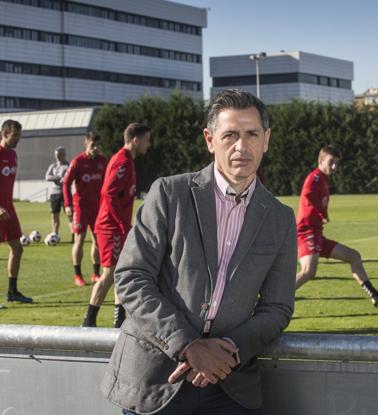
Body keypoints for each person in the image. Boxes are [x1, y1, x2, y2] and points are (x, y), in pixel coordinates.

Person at [102, 90, 297, 415]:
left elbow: (277, 307)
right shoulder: (169, 193)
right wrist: (188, 346)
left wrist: (229, 351)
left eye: (252, 135)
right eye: (230, 135)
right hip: (156, 379)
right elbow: (131, 277)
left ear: (267, 140)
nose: (241, 147)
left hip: (229, 384)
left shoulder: (280, 217)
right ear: (209, 139)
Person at [295, 146, 378, 307]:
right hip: (307, 232)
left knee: (353, 256)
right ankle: (272, 301)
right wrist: (321, 213)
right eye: (331, 162)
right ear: (320, 161)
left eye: (336, 163)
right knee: (308, 271)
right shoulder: (315, 177)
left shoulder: (323, 179)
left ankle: (375, 295)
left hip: (317, 235)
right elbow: (308, 194)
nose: (334, 167)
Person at [81, 123, 151, 328]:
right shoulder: (122, 161)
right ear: (135, 140)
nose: (149, 144)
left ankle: (119, 320)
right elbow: (108, 194)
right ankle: (88, 321)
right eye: (147, 140)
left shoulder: (127, 160)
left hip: (116, 226)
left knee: (120, 272)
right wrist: (121, 224)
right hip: (110, 227)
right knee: (109, 274)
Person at [63, 133, 107, 286]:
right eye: (92, 146)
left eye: (97, 146)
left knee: (97, 240)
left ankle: (96, 273)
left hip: (98, 207)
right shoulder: (78, 162)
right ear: (86, 145)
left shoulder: (103, 161)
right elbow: (66, 184)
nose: (95, 148)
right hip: (81, 207)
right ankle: (78, 275)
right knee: (79, 240)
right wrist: (68, 204)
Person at [0, 120, 32, 306]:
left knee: (17, 248)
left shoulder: (12, 154)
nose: (18, 139)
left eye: (19, 135)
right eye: (15, 136)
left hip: (8, 209)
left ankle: (12, 291)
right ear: (4, 134)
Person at [45, 146, 71, 237]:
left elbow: (67, 178)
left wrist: (61, 179)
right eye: (56, 155)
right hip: (54, 193)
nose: (58, 156)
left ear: (64, 155)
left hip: (65, 192)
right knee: (54, 215)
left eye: (60, 154)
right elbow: (47, 177)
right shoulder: (53, 166)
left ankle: (73, 235)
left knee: (69, 214)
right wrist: (58, 177)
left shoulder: (68, 165)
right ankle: (55, 234)